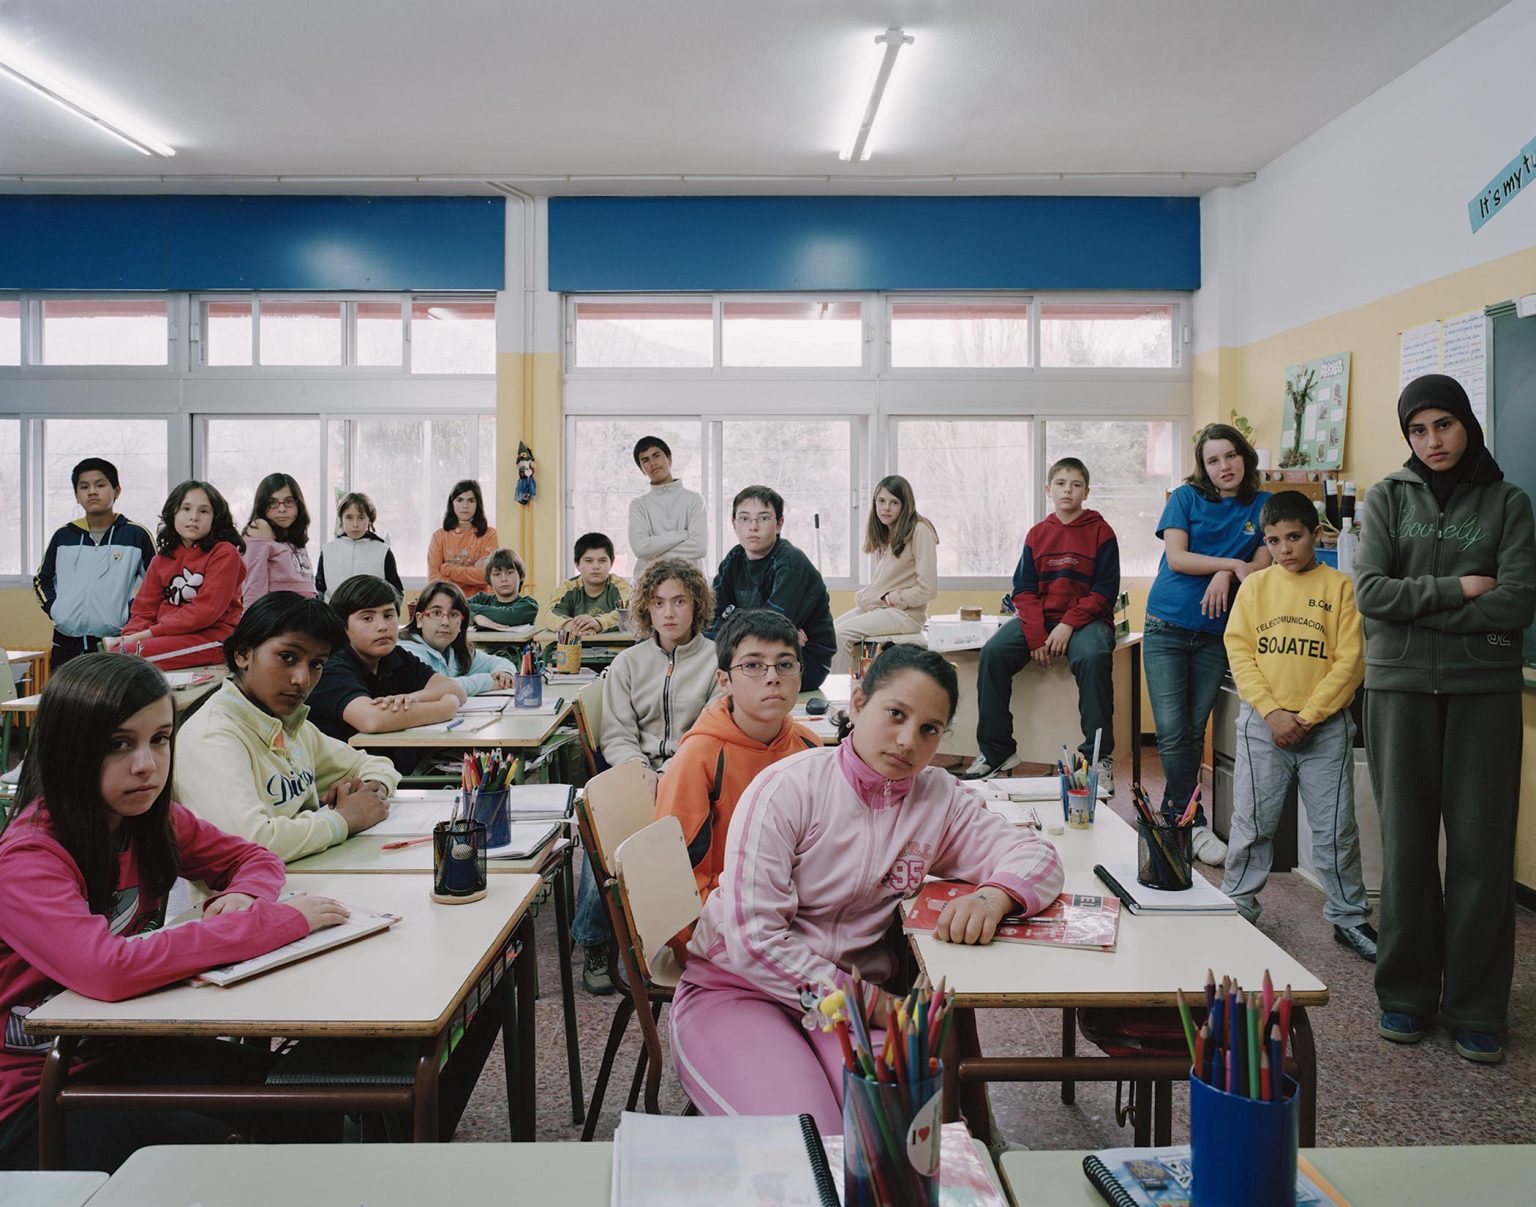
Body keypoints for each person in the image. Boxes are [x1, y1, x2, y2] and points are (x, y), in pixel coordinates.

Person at [668, 645, 1065, 1131]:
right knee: (811, 1135)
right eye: (895, 714)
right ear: (857, 703)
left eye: (929, 730)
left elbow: (1038, 856)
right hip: (739, 992)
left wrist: (993, 894)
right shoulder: (788, 789)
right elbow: (753, 943)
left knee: (891, 1132)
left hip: (848, 1005)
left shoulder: (936, 798)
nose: (907, 742)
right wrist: (872, 1005)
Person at [0, 654, 349, 1172]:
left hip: (120, 1047)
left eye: (160, 739)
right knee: (218, 1152)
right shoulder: (29, 856)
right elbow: (108, 968)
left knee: (304, 1100)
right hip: (31, 1096)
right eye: (119, 744)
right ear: (69, 748)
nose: (147, 765)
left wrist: (247, 896)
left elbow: (255, 856)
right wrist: (273, 922)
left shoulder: (150, 820)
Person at [1356, 374, 1536, 1064]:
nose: (1432, 441)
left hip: (1484, 691)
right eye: (1419, 429)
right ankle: (1404, 994)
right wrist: (1459, 587)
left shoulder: (1509, 502)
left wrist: (1418, 605)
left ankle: (1477, 1005)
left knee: (1481, 854)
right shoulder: (1387, 497)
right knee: (1404, 851)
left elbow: (1517, 601)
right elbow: (1372, 593)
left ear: (1468, 425)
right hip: (1399, 689)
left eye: (1444, 425)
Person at [1219, 491, 1374, 960]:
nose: (1285, 548)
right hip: (1264, 724)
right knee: (1252, 823)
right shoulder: (1255, 587)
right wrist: (1272, 712)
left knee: (1333, 828)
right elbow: (1240, 652)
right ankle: (1238, 904)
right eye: (1274, 540)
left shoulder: (1341, 587)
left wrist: (1307, 717)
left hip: (1322, 728)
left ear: (1316, 534)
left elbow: (1350, 662)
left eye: (1294, 537)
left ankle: (1349, 916)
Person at [174, 592, 398, 880]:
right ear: (243, 653)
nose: (302, 679)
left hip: (308, 880)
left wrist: (370, 791)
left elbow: (375, 765)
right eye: (287, 657)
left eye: (317, 664)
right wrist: (345, 818)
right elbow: (251, 841)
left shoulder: (288, 724)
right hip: (243, 904)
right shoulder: (214, 736)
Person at [1142, 424, 1271, 866]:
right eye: (1213, 460)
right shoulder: (1185, 498)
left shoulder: (1263, 505)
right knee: (1174, 731)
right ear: (1203, 466)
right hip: (1168, 625)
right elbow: (1177, 557)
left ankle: (1173, 817)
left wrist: (1225, 572)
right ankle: (1190, 823)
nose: (1223, 466)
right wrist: (1229, 563)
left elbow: (1261, 565)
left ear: (1244, 457)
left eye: (1230, 455)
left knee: (1194, 732)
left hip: (1218, 633)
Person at [963, 458, 1120, 788]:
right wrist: (1035, 636)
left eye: (1076, 484)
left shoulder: (1101, 532)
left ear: (1086, 491)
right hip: (1041, 618)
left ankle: (1098, 756)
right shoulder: (1037, 534)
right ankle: (997, 750)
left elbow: (1105, 591)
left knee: (1093, 657)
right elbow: (1023, 590)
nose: (1068, 490)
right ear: (1049, 489)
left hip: (1086, 620)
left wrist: (1068, 625)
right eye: (1061, 483)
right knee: (993, 653)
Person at [656, 608, 819, 913]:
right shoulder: (698, 757)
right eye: (753, 665)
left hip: (798, 908)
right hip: (721, 915)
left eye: (785, 664)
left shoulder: (810, 747)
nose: (772, 677)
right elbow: (678, 878)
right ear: (724, 680)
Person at [305, 575, 466, 773]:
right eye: (367, 618)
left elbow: (455, 689)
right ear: (342, 626)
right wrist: (447, 706)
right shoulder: (330, 665)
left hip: (382, 772)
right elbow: (372, 719)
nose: (382, 626)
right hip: (338, 781)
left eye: (388, 615)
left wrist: (413, 697)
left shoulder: (394, 656)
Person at [106, 480, 247, 671]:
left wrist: (140, 637)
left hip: (214, 639)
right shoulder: (161, 559)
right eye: (185, 509)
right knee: (118, 652)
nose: (194, 517)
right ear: (173, 513)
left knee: (123, 657)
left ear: (216, 518)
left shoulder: (225, 553)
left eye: (204, 511)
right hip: (165, 638)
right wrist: (129, 636)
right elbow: (144, 611)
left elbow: (204, 612)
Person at [33, 457, 155, 671]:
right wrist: (56, 610)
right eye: (84, 487)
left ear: (116, 491)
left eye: (100, 485)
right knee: (64, 702)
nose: (92, 491)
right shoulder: (63, 536)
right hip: (65, 644)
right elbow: (41, 580)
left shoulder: (136, 535)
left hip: (113, 642)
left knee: (111, 702)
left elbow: (156, 585)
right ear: (77, 496)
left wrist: (129, 613)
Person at [601, 558, 720, 773]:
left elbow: (709, 736)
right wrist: (639, 770)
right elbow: (617, 737)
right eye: (658, 603)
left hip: (693, 770)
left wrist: (668, 773)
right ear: (647, 608)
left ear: (697, 604)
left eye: (679, 601)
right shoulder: (626, 664)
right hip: (635, 773)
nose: (668, 613)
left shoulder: (718, 662)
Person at [712, 485, 836, 691]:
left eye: (763, 518)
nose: (753, 527)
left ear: (779, 524)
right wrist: (775, 629)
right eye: (744, 519)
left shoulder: (790, 562)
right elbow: (710, 619)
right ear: (734, 524)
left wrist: (731, 614)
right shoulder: (734, 559)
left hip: (802, 662)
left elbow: (770, 632)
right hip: (755, 655)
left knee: (727, 679)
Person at [832, 475, 939, 673]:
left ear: (905, 505)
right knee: (828, 632)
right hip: (881, 608)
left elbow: (928, 589)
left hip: (905, 614)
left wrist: (892, 598)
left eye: (894, 502)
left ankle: (840, 698)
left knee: (840, 635)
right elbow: (886, 582)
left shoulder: (920, 531)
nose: (886, 508)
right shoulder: (887, 533)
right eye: (881, 501)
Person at [399, 580, 519, 696]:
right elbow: (437, 687)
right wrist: (490, 681)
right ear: (419, 619)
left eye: (453, 615)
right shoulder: (407, 651)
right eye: (436, 613)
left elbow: (500, 662)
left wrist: (504, 674)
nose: (445, 622)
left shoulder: (455, 651)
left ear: (461, 623)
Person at [628, 435, 707, 580]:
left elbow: (699, 547)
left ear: (669, 459)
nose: (652, 463)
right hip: (649, 583)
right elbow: (640, 549)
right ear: (642, 469)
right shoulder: (638, 505)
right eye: (645, 460)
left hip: (691, 582)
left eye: (656, 455)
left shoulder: (694, 500)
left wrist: (653, 554)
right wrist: (683, 534)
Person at [239, 473, 316, 605]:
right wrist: (254, 622)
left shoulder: (294, 536)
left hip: (304, 615)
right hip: (278, 617)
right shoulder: (260, 528)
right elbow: (253, 584)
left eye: (289, 501)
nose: (281, 509)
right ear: (262, 505)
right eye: (272, 503)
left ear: (298, 505)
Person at [314, 492, 401, 600]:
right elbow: (320, 590)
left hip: (370, 614)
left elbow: (397, 593)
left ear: (369, 519)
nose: (355, 524)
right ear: (341, 519)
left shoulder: (382, 551)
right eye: (349, 517)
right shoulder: (328, 551)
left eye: (361, 517)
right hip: (333, 615)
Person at [547, 532, 630, 639]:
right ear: (577, 564)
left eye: (602, 561)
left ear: (611, 563)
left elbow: (630, 612)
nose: (596, 566)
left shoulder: (621, 586)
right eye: (589, 561)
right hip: (577, 648)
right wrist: (572, 626)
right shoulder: (568, 588)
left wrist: (598, 623)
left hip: (617, 650)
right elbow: (550, 614)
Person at [426, 479, 497, 596]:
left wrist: (447, 569)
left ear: (477, 504)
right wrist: (472, 573)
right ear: (452, 503)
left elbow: (487, 575)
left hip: (481, 603)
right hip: (448, 601)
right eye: (459, 500)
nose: (465, 506)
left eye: (471, 500)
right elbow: (434, 580)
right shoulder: (438, 536)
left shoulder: (489, 534)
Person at [467, 548, 539, 630]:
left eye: (509, 572)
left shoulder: (529, 605)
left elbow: (506, 616)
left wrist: (471, 612)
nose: (504, 579)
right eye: (497, 574)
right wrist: (475, 617)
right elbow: (457, 609)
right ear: (489, 579)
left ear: (521, 576)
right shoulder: (481, 599)